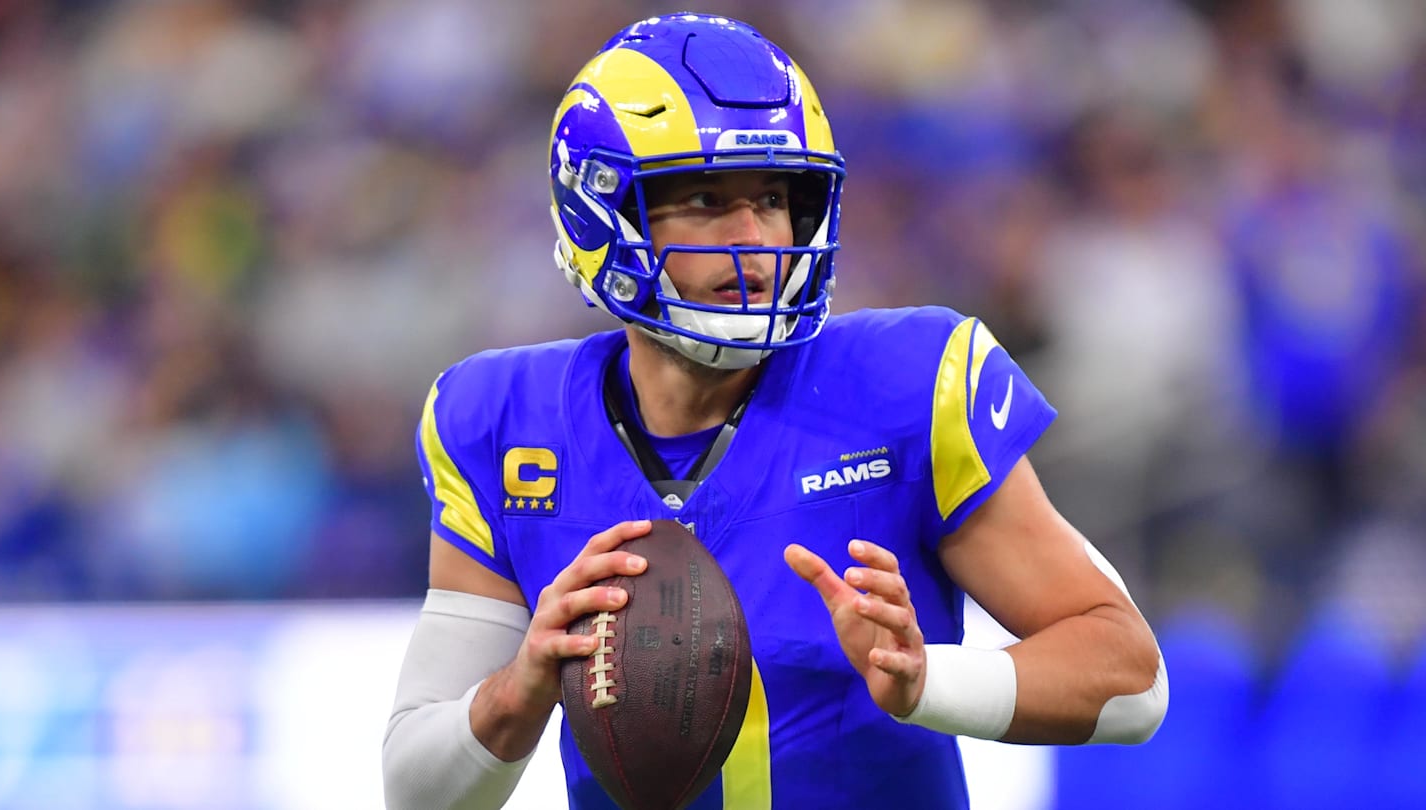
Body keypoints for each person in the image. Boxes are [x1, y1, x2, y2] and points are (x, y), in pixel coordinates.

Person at [382, 12, 1167, 810]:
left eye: (773, 197)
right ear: (601, 212)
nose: (754, 239)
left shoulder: (907, 386)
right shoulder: (502, 422)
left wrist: (927, 679)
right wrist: (518, 690)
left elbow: (1132, 678)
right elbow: (417, 791)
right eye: (705, 198)